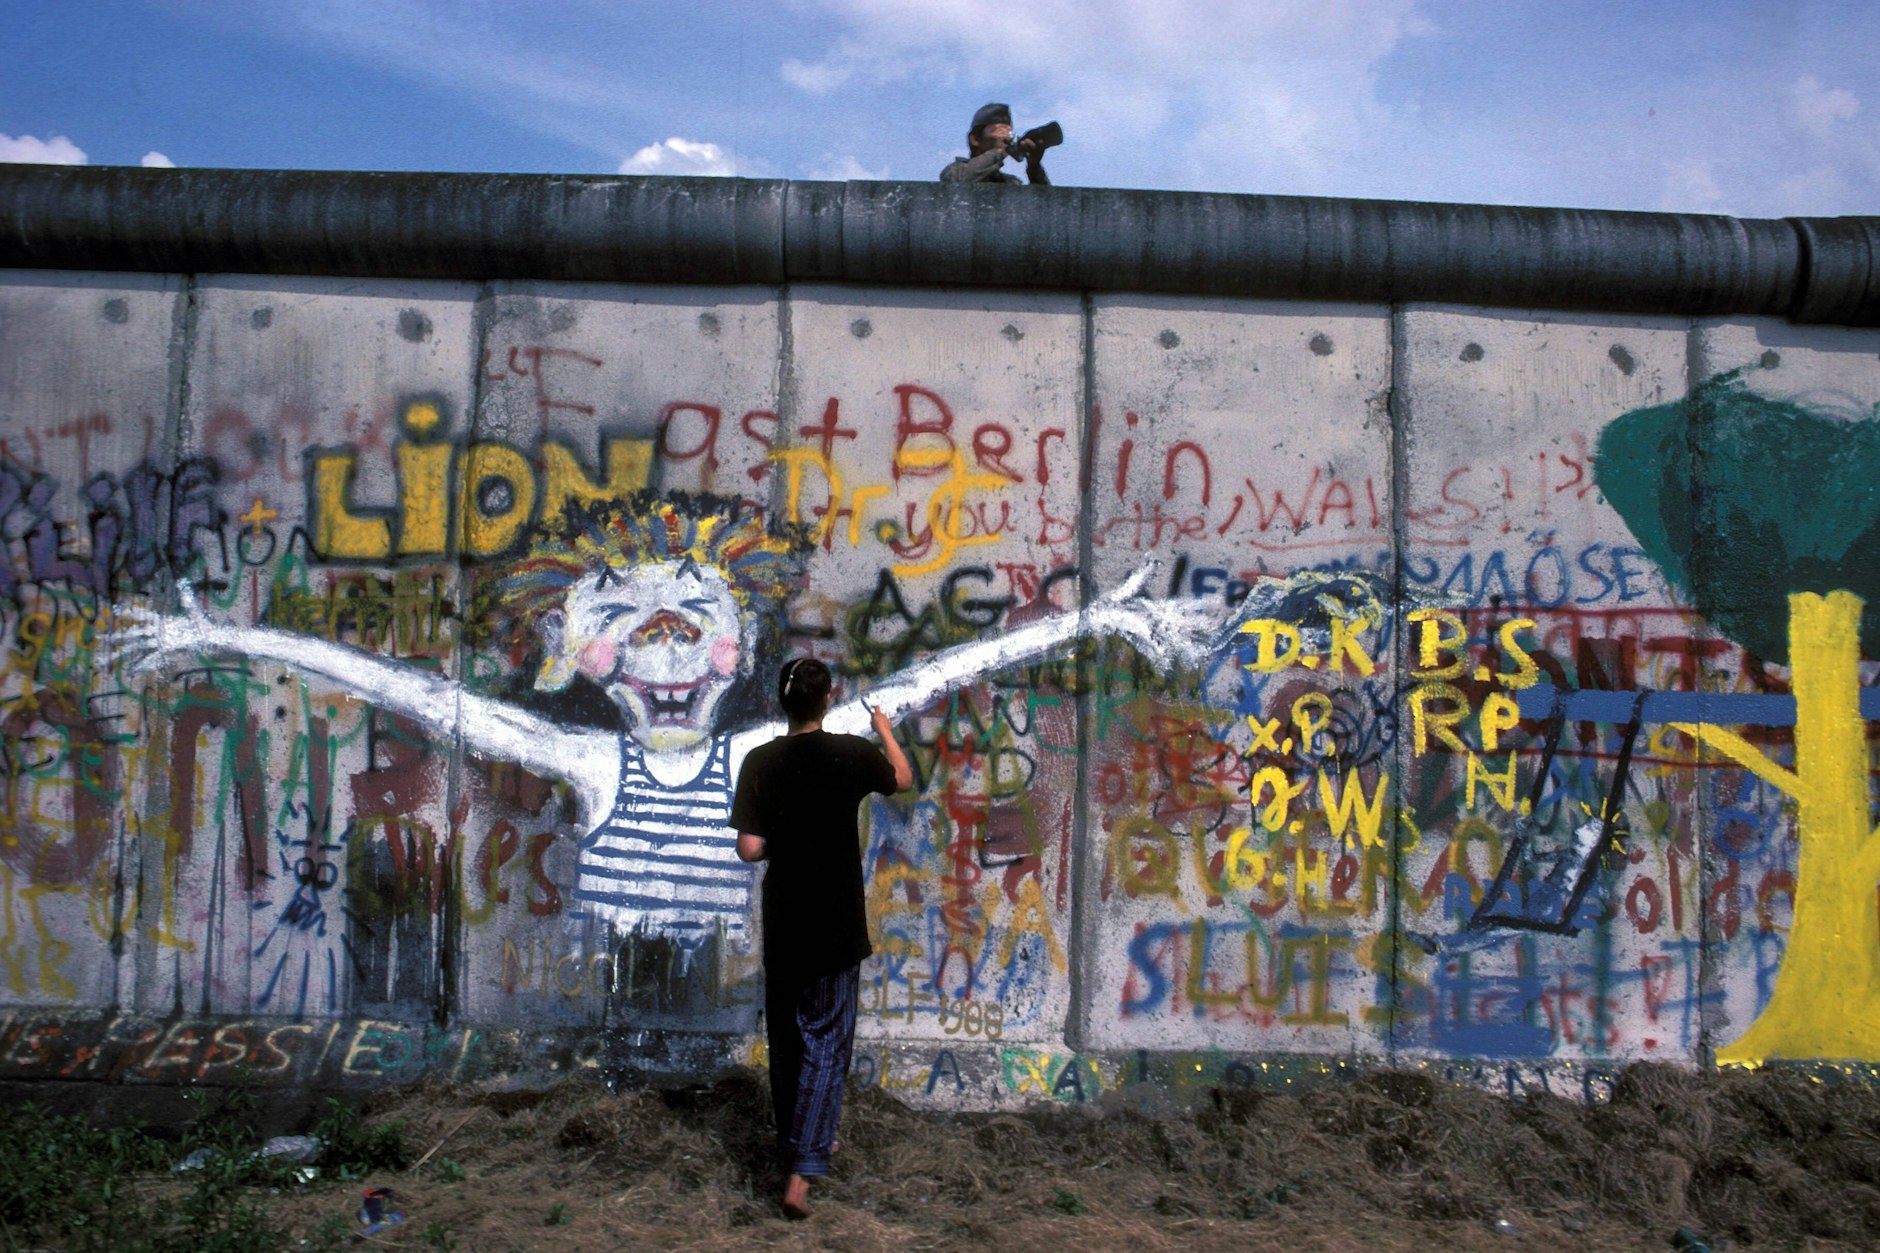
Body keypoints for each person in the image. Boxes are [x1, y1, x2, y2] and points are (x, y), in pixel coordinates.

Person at [732, 657, 913, 1220]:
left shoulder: (760, 760)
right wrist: (883, 728)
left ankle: (799, 1144)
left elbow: (749, 849)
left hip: (785, 918)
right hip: (836, 922)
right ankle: (803, 1170)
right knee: (827, 1040)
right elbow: (902, 780)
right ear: (828, 700)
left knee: (788, 1042)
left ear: (780, 702)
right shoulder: (853, 754)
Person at [940, 102, 1049, 185]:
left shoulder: (1011, 183)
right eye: (997, 131)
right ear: (975, 140)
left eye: (1008, 132)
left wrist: (1034, 165)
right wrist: (999, 151)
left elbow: (1045, 206)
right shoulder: (954, 171)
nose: (1005, 136)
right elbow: (957, 183)